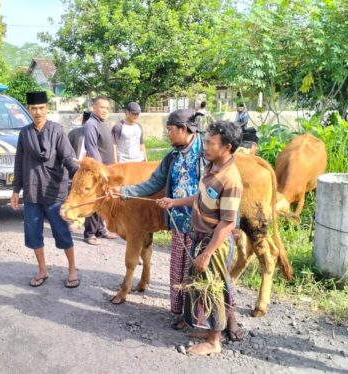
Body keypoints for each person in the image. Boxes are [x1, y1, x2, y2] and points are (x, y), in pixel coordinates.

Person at [110, 109, 205, 329]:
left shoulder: (205, 154)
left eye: (170, 130)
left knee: (202, 270)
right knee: (181, 269)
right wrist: (124, 191)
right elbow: (153, 183)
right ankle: (185, 314)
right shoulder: (173, 156)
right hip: (180, 224)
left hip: (204, 225)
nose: (168, 135)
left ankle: (209, 319)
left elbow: (213, 191)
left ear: (184, 129)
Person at [157, 120, 244, 356]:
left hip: (214, 241)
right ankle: (206, 329)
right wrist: (174, 202)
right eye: (206, 141)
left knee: (212, 288)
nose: (205, 146)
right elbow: (201, 196)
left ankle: (214, 341)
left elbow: (227, 223)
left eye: (211, 143)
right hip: (201, 236)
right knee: (201, 285)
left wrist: (207, 254)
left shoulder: (231, 179)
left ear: (227, 147)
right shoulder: (212, 167)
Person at [11, 91, 80, 288]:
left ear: (47, 108)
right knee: (33, 233)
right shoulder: (24, 133)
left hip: (55, 192)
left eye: (42, 108)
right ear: (29, 109)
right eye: (34, 108)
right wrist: (16, 190)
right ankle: (42, 270)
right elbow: (19, 162)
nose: (38, 112)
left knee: (62, 232)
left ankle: (72, 269)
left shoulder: (57, 130)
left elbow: (68, 157)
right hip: (32, 192)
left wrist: (79, 174)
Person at [82, 96, 118, 245]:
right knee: (94, 200)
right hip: (98, 170)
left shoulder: (102, 123)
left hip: (107, 169)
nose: (104, 110)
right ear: (93, 107)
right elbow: (92, 148)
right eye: (101, 107)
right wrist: (100, 170)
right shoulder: (91, 124)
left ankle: (100, 229)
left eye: (106, 108)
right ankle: (89, 233)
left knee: (103, 200)